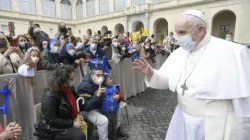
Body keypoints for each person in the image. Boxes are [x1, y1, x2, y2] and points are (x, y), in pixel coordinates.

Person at [133, 10, 250, 140]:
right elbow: (167, 80)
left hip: (215, 125)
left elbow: (244, 106)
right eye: (177, 32)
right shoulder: (179, 53)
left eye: (182, 32)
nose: (178, 37)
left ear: (200, 30)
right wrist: (151, 73)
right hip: (182, 119)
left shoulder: (234, 52)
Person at [34, 65, 92, 140]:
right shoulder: (50, 96)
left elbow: (74, 107)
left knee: (89, 125)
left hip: (65, 120)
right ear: (63, 79)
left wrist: (76, 117)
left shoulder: (69, 90)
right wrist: (72, 123)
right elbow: (52, 120)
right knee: (80, 136)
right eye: (71, 79)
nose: (74, 80)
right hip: (50, 129)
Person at [77, 67, 109, 140]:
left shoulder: (98, 82)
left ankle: (115, 131)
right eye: (98, 75)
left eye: (102, 75)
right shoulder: (84, 86)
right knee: (103, 120)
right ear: (92, 75)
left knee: (115, 108)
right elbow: (85, 107)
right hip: (85, 111)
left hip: (96, 106)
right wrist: (96, 96)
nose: (101, 77)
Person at [100, 74, 126, 140]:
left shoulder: (114, 87)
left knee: (114, 125)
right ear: (104, 81)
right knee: (108, 126)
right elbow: (98, 99)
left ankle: (114, 137)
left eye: (111, 79)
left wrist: (119, 96)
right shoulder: (102, 89)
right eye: (108, 79)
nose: (110, 81)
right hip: (106, 111)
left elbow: (121, 96)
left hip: (114, 110)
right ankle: (108, 137)